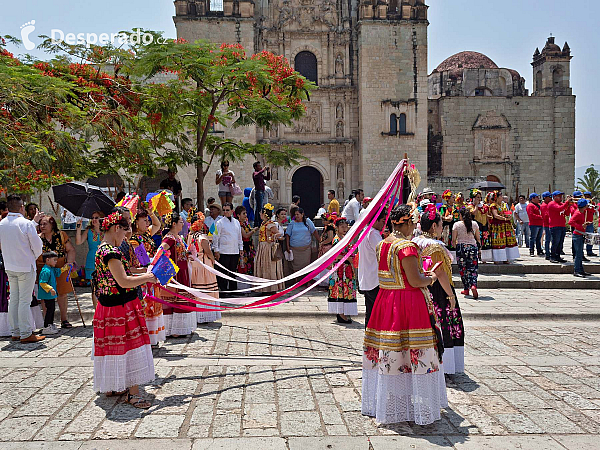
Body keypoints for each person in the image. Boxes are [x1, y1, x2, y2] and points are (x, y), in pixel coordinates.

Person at [362, 204, 446, 425]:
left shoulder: (382, 244)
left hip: (386, 299)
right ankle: (408, 398)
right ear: (407, 223)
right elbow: (415, 280)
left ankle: (394, 397)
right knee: (411, 349)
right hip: (408, 302)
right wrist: (431, 278)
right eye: (413, 223)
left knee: (393, 349)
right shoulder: (406, 247)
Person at [92, 210, 156, 408]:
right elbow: (124, 281)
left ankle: (114, 385)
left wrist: (146, 270)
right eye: (124, 233)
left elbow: (124, 272)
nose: (125, 238)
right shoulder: (111, 252)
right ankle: (133, 393)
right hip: (122, 307)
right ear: (116, 228)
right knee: (130, 347)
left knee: (114, 348)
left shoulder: (102, 249)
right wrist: (148, 278)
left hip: (109, 307)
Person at [415, 204, 465, 374]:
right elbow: (440, 272)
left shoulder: (415, 242)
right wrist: (450, 295)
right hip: (438, 291)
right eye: (441, 224)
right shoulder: (435, 246)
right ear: (434, 226)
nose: (443, 228)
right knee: (443, 324)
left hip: (422, 288)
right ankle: (444, 364)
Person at [0, 195, 45, 343]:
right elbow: (38, 248)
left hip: (10, 265)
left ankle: (16, 331)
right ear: (21, 208)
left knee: (14, 299)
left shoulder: (2, 223)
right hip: (25, 266)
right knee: (24, 300)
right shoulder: (26, 224)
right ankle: (26, 333)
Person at [158, 212, 197, 337]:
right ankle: (173, 329)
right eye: (181, 221)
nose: (183, 223)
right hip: (175, 274)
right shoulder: (170, 238)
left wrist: (188, 253)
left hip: (183, 272)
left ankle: (180, 328)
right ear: (174, 224)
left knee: (182, 297)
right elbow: (161, 250)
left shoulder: (178, 237)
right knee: (175, 298)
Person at [129, 208, 165, 345]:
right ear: (136, 222)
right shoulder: (133, 239)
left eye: (147, 220)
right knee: (146, 306)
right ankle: (147, 338)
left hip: (151, 272)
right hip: (143, 275)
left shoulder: (147, 234)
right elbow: (139, 261)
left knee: (154, 305)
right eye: (144, 220)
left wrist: (151, 213)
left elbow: (157, 225)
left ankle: (153, 337)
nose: (147, 223)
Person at [38, 215, 76, 328]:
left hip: (60, 267)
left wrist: (69, 263)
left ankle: (64, 320)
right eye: (40, 224)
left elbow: (70, 250)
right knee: (46, 294)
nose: (42, 226)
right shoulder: (37, 237)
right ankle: (48, 322)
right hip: (44, 268)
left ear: (52, 224)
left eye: (45, 224)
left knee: (63, 293)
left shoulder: (61, 235)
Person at [187, 212, 221, 323]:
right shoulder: (201, 237)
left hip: (194, 265)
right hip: (203, 266)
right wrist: (213, 260)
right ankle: (205, 315)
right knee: (207, 289)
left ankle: (199, 315)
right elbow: (208, 251)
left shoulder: (190, 236)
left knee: (197, 289)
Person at [357, 208, 385, 328]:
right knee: (378, 313)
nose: (384, 224)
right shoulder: (373, 234)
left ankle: (369, 341)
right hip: (375, 280)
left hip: (367, 279)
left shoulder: (364, 232)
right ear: (375, 220)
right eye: (383, 221)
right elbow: (383, 252)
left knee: (371, 313)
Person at [327, 217, 358, 324]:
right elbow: (335, 255)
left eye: (346, 227)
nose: (345, 229)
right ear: (337, 228)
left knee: (345, 290)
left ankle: (343, 312)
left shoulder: (344, 238)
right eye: (342, 227)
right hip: (340, 269)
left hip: (346, 268)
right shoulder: (337, 239)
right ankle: (341, 313)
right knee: (340, 289)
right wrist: (348, 258)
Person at [38, 251, 72, 335]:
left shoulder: (51, 269)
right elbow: (42, 283)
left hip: (51, 295)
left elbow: (58, 272)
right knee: (49, 310)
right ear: (48, 260)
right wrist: (50, 289)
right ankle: (46, 326)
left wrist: (65, 268)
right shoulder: (45, 271)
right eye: (54, 260)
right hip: (47, 295)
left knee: (52, 309)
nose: (56, 262)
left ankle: (50, 324)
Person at [213, 203, 243, 297]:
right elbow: (215, 237)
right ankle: (224, 291)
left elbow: (239, 236)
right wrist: (216, 250)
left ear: (232, 211)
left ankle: (233, 290)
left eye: (227, 210)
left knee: (233, 271)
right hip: (224, 251)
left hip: (234, 250)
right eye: (224, 210)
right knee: (223, 272)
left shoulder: (236, 222)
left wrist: (241, 248)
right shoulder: (219, 222)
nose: (225, 212)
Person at [255, 204, 285, 294]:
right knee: (263, 266)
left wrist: (272, 238)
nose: (260, 214)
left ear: (264, 214)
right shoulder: (264, 223)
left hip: (268, 247)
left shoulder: (270, 224)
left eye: (261, 213)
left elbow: (279, 233)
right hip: (262, 246)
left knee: (269, 266)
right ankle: (264, 288)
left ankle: (271, 288)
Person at [452, 208, 481, 299]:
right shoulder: (475, 224)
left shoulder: (456, 225)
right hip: (472, 247)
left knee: (463, 268)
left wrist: (455, 246)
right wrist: (479, 248)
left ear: (461, 215)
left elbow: (453, 240)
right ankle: (473, 285)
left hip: (461, 248)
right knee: (473, 268)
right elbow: (478, 239)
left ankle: (466, 288)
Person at [285, 208, 320, 277]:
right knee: (295, 266)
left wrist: (320, 241)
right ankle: (296, 281)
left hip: (306, 249)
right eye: (295, 214)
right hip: (295, 249)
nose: (296, 216)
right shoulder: (292, 223)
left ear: (302, 214)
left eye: (298, 214)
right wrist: (288, 246)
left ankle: (306, 280)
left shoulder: (308, 222)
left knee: (306, 265)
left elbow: (314, 232)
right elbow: (287, 235)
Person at [75, 212, 105, 284]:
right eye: (92, 218)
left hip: (104, 259)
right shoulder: (88, 231)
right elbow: (78, 242)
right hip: (91, 260)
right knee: (93, 286)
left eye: (96, 218)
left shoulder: (106, 231)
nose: (94, 219)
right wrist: (78, 229)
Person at [467, 189, 492, 263]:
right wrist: (477, 205)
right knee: (477, 241)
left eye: (480, 197)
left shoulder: (484, 206)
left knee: (484, 241)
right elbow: (474, 213)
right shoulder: (470, 206)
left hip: (484, 225)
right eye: (477, 197)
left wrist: (488, 223)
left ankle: (484, 258)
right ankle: (476, 256)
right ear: (473, 198)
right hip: (476, 225)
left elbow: (486, 214)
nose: (479, 199)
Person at [548, 190, 573, 263]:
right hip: (555, 225)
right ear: (554, 197)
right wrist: (567, 202)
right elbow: (559, 209)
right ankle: (552, 257)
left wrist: (569, 206)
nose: (561, 197)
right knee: (555, 242)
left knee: (560, 242)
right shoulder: (551, 204)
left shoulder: (561, 204)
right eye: (559, 196)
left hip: (562, 225)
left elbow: (567, 213)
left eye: (561, 196)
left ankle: (558, 256)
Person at [487, 192, 511, 264]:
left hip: (505, 225)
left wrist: (508, 216)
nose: (502, 197)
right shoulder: (493, 205)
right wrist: (505, 218)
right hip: (497, 225)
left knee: (505, 241)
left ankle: (505, 258)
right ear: (496, 197)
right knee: (497, 241)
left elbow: (506, 212)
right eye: (500, 196)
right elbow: (496, 215)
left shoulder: (503, 205)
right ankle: (496, 258)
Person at [569, 199, 591, 277]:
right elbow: (570, 222)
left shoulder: (582, 212)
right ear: (584, 206)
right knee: (578, 254)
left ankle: (581, 270)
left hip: (580, 234)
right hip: (577, 235)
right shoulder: (578, 213)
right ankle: (577, 270)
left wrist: (585, 224)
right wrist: (581, 226)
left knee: (580, 253)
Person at [235, 206, 257, 276]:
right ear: (238, 215)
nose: (245, 215)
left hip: (250, 247)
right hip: (244, 248)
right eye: (243, 213)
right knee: (244, 266)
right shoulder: (239, 224)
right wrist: (254, 230)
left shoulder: (245, 223)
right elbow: (245, 235)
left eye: (246, 213)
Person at [252, 161, 271, 227]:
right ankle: (259, 221)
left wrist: (268, 172)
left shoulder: (260, 175)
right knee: (259, 208)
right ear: (255, 167)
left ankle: (257, 222)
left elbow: (267, 178)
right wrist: (263, 169)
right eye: (259, 166)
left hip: (262, 192)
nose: (260, 167)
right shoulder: (255, 173)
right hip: (258, 192)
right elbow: (257, 175)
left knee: (258, 208)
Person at [583, 192, 598, 257]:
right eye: (586, 196)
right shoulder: (582, 202)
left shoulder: (593, 203)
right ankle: (580, 252)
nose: (587, 197)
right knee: (581, 238)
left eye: (588, 196)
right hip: (583, 222)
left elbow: (594, 211)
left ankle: (589, 251)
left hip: (590, 222)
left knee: (590, 237)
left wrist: (590, 205)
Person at [540, 191, 553, 260]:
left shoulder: (548, 204)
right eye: (549, 197)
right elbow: (546, 215)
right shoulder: (544, 205)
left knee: (550, 239)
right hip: (547, 224)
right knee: (548, 239)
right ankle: (547, 254)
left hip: (550, 224)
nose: (551, 198)